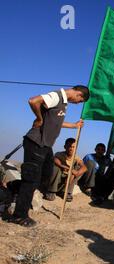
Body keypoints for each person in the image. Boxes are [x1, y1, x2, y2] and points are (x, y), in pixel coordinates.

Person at [3, 86, 89, 227]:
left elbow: (55, 122)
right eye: (80, 101)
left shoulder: (64, 103)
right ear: (79, 94)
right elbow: (33, 101)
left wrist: (74, 126)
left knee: (45, 176)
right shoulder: (57, 96)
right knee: (31, 180)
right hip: (36, 142)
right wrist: (39, 118)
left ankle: (14, 186)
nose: (77, 103)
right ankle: (19, 216)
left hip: (46, 146)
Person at [45, 138, 87, 202]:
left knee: (80, 170)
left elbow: (84, 167)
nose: (71, 148)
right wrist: (69, 169)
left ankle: (66, 192)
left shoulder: (76, 157)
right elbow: (56, 161)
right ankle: (51, 191)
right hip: (59, 178)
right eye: (69, 146)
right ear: (65, 147)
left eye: (73, 147)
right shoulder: (59, 154)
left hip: (69, 179)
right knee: (56, 168)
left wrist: (76, 173)